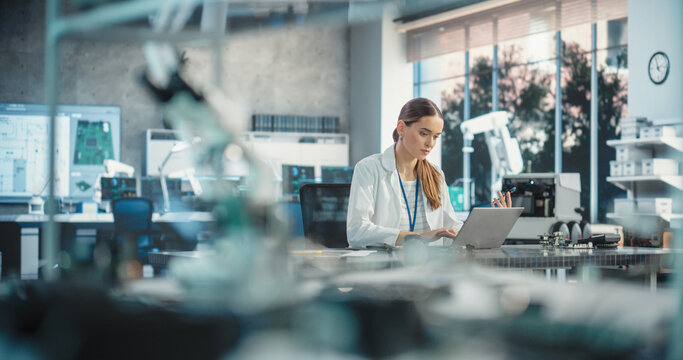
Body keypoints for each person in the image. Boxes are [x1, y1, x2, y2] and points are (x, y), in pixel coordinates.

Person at [346, 97, 511, 248]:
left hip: (430, 271)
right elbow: (357, 232)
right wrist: (418, 237)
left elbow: (451, 228)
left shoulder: (436, 175)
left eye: (436, 136)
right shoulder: (369, 169)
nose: (430, 143)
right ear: (401, 128)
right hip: (386, 271)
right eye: (423, 133)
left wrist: (492, 225)